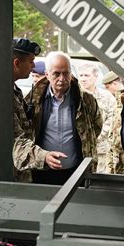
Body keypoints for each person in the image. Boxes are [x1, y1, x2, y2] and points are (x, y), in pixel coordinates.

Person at [26, 51, 103, 185]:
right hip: (41, 172)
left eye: (66, 73)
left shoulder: (85, 100)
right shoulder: (33, 100)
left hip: (76, 172)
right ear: (47, 75)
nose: (62, 78)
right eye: (56, 73)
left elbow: (96, 126)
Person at [12, 38, 64, 182]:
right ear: (17, 63)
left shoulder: (15, 90)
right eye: (31, 61)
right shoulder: (1, 96)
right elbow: (15, 141)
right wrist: (44, 156)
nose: (34, 66)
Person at [78, 63, 116, 173]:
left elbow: (112, 119)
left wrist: (95, 137)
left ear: (95, 77)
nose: (83, 79)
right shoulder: (74, 96)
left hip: (101, 150)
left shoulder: (107, 97)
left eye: (87, 75)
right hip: (79, 150)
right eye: (81, 76)